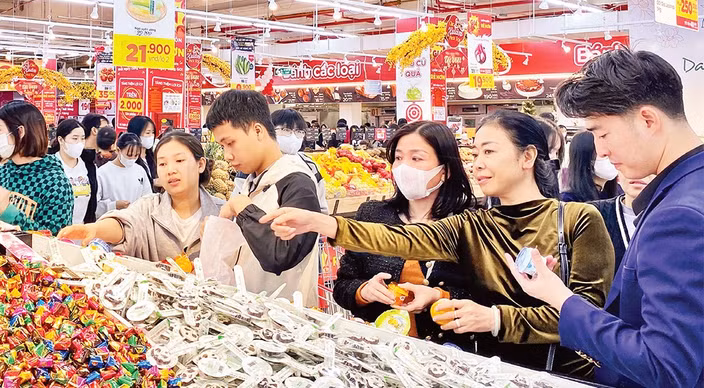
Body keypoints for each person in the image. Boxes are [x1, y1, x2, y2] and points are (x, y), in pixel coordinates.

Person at [260, 110, 614, 377]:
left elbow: (588, 319)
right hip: (479, 373)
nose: (477, 165)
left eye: (489, 152)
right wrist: (322, 221)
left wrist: (493, 319)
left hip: (554, 376)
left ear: (528, 156)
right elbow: (400, 239)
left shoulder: (577, 219)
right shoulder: (473, 224)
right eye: (475, 154)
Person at [506, 49, 704, 388]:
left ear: (647, 120)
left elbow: (664, 366)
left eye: (602, 132)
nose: (600, 150)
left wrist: (560, 298)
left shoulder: (677, 216)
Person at [333, 121, 476, 347]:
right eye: (398, 158)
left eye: (416, 158)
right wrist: (364, 291)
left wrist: (439, 297)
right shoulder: (372, 215)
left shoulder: (468, 224)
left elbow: (485, 298)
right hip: (378, 347)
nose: (403, 167)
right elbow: (342, 286)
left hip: (445, 354)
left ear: (445, 170)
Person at [207, 90, 322, 307]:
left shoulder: (297, 182)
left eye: (230, 143)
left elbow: (281, 256)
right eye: (222, 146)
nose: (227, 155)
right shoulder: (255, 180)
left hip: (285, 324)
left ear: (257, 130)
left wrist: (244, 210)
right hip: (251, 313)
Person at [59, 132, 223, 261]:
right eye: (162, 163)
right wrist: (94, 229)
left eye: (179, 160)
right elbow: (124, 225)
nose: (170, 170)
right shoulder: (149, 207)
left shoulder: (223, 214)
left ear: (200, 164)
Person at [0, 101, 73, 235]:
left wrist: (9, 212)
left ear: (20, 131)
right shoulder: (0, 173)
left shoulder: (55, 182)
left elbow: (56, 237)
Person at [590, 171, 653, 273]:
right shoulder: (591, 214)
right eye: (629, 162)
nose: (637, 172)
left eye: (649, 163)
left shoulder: (677, 217)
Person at [271, 109, 328, 214]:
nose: (293, 136)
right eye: (286, 130)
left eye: (299, 132)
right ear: (270, 131)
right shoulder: (259, 163)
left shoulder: (310, 165)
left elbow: (321, 206)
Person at [96, 132, 153, 218]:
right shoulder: (103, 172)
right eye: (129, 155)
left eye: (136, 155)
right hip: (111, 221)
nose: (132, 159)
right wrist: (114, 205)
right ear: (118, 150)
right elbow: (94, 205)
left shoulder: (140, 170)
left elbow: (148, 197)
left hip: (135, 220)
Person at [48, 119, 93, 225]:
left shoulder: (88, 166)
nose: (79, 143)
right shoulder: (50, 165)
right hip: (56, 229)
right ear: (61, 140)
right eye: (74, 138)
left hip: (81, 230)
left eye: (82, 139)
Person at [561, 131, 621, 202]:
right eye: (604, 154)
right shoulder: (569, 200)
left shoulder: (620, 193)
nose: (611, 159)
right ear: (585, 158)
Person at [127, 115, 158, 185]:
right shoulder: (129, 160)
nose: (151, 136)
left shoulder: (152, 157)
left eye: (153, 132)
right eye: (148, 133)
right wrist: (154, 182)